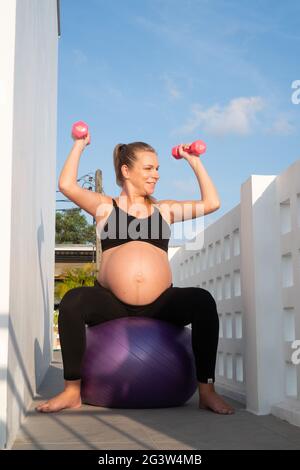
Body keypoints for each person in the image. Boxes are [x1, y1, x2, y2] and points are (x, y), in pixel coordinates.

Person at [36, 132, 234, 414]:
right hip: (112, 304)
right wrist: (79, 145)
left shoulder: (165, 210)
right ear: (126, 171)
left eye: (158, 169)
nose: (156, 175)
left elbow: (212, 202)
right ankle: (71, 391)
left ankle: (207, 391)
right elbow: (66, 185)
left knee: (202, 301)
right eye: (149, 168)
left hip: (160, 304)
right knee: (72, 302)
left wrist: (193, 161)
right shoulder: (105, 207)